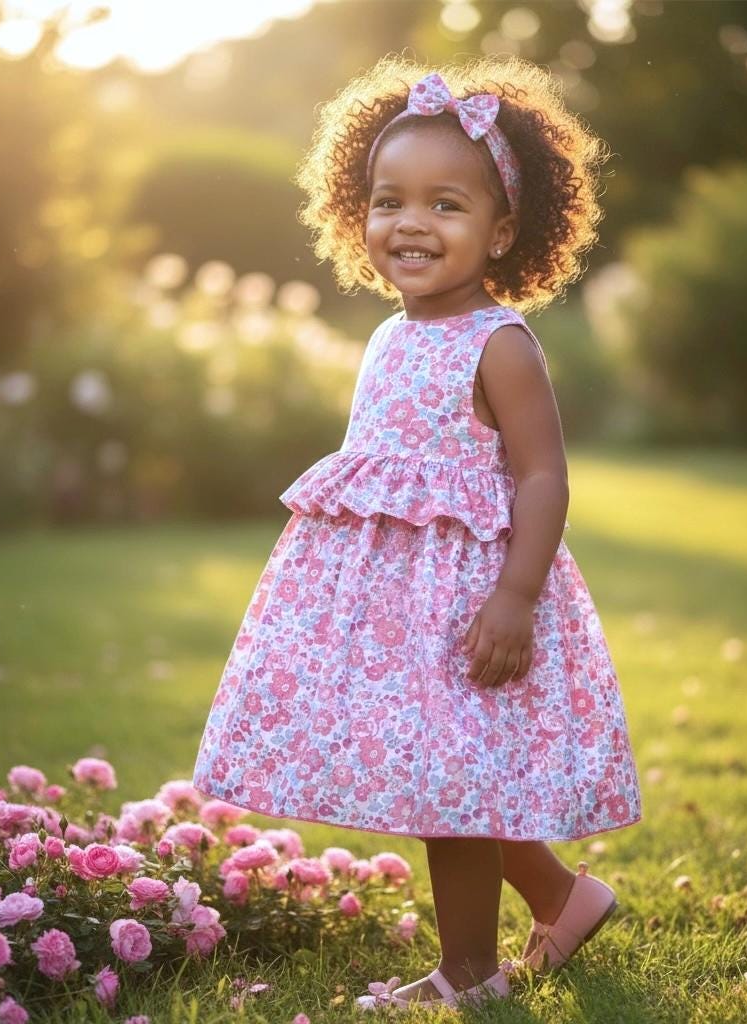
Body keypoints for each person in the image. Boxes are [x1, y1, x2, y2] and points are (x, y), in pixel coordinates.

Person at [191, 53, 642, 1013]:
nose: (412, 223)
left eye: (447, 205)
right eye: (390, 200)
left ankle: (471, 974)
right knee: (443, 775)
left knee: (453, 781)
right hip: (390, 606)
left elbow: (544, 475)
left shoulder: (500, 343)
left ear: (503, 230)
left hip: (468, 601)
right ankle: (566, 898)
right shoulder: (390, 337)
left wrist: (515, 596)